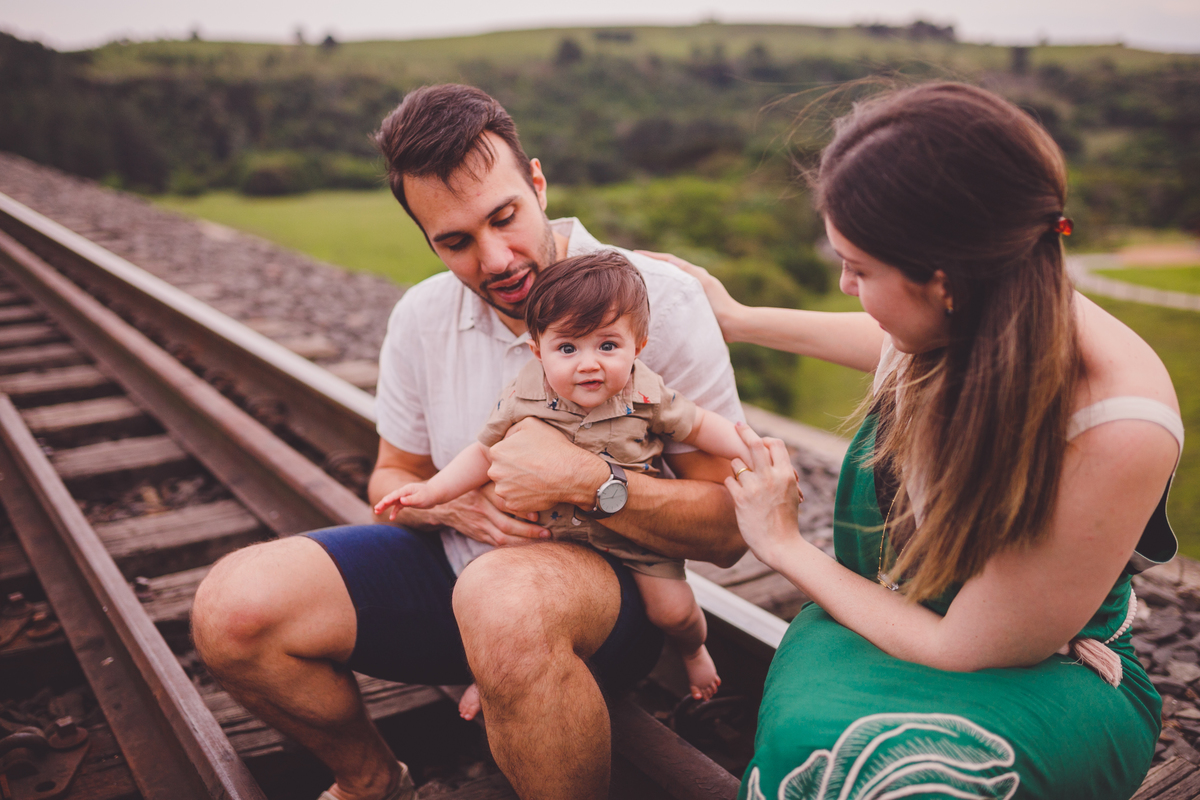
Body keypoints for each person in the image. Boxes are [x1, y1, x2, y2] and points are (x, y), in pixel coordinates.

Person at [189, 83, 747, 800]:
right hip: (455, 572)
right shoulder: (421, 316)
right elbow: (392, 476)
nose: (496, 260)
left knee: (503, 604)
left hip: (611, 592)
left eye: (504, 218)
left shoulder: (658, 302)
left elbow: (729, 529)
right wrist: (450, 507)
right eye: (455, 242)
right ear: (427, 239)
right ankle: (369, 782)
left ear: (538, 184)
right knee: (232, 609)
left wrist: (588, 483)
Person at [644, 82, 1183, 799]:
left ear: (944, 280)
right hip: (881, 623)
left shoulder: (1117, 422)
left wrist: (783, 545)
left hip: (1039, 677)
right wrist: (738, 320)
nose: (844, 285)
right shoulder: (990, 297)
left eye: (860, 268)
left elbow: (964, 645)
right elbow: (898, 336)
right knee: (811, 751)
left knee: (877, 775)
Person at [377, 251, 762, 709]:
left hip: (631, 531)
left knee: (673, 611)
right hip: (549, 539)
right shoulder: (523, 396)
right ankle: (492, 674)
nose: (588, 364)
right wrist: (433, 491)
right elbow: (482, 453)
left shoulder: (647, 392)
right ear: (537, 351)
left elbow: (700, 426)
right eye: (567, 349)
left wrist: (754, 452)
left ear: (638, 346)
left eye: (607, 346)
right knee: (506, 607)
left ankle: (694, 650)